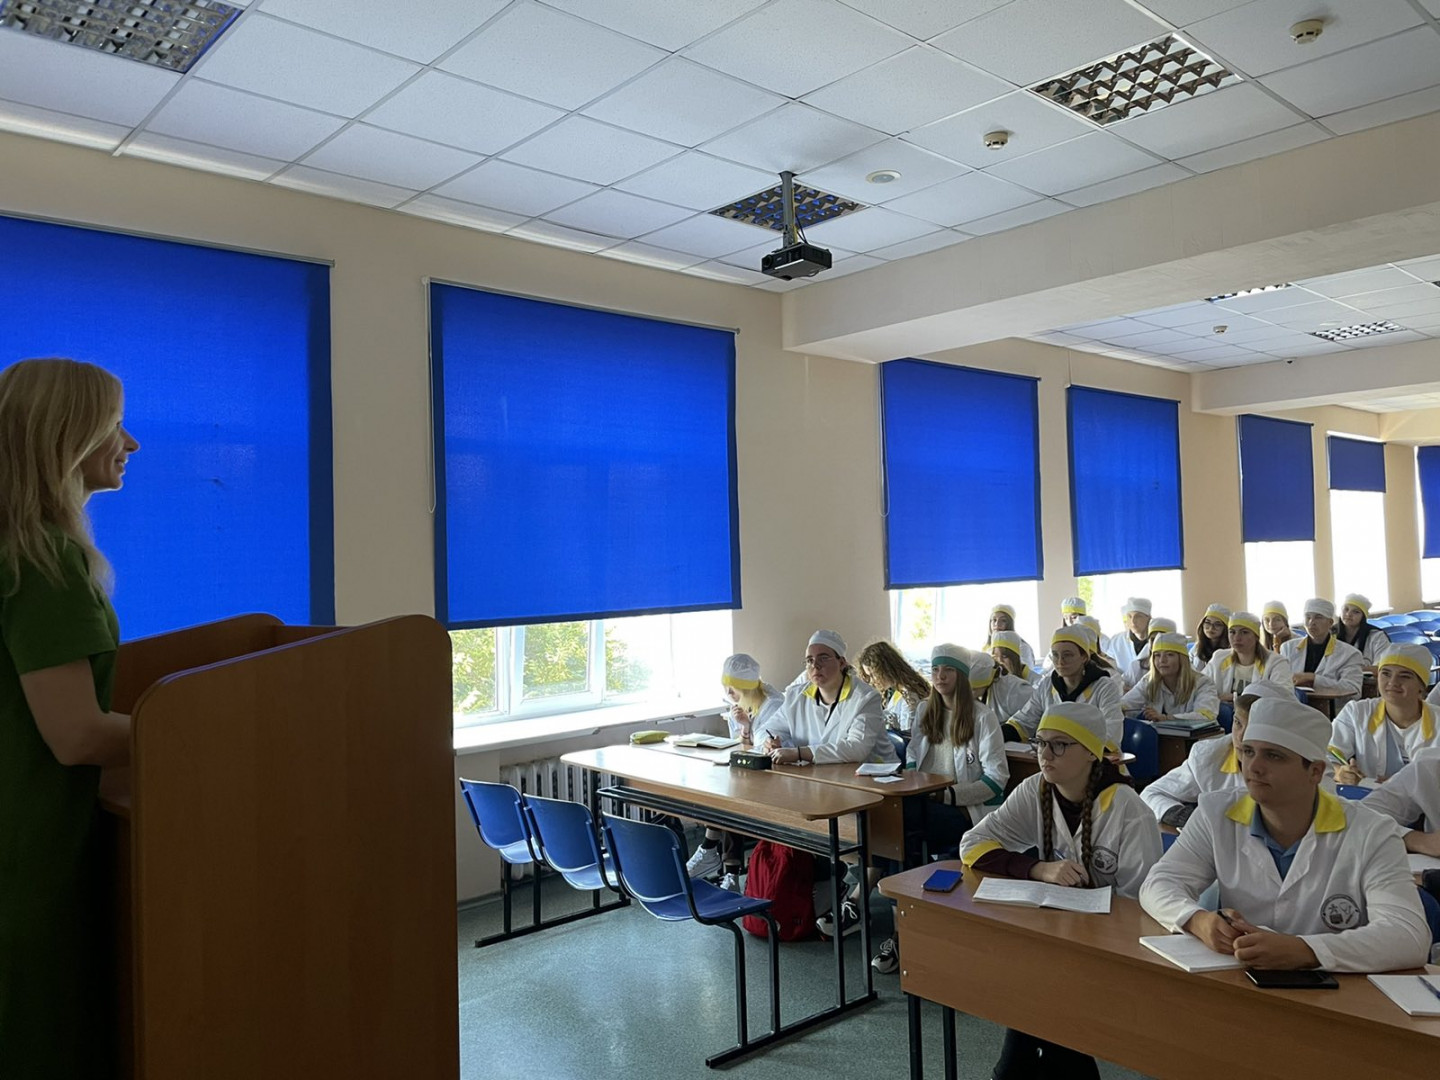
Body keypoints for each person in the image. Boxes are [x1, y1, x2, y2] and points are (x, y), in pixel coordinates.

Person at [0, 357, 139, 1078]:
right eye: (115, 424)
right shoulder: (46, 560)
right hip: (31, 859)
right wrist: (210, 735)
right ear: (68, 435)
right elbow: (78, 734)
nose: (130, 443)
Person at [1139, 697, 1431, 973]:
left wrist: (1306, 950)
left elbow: (1409, 936)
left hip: (1336, 995)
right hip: (1239, 981)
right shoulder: (1216, 813)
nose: (1254, 767)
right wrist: (1197, 920)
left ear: (1315, 771)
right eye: (1248, 752)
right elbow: (1159, 883)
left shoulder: (1372, 832)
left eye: (1274, 756)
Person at [961, 702, 1162, 1080]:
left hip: (1111, 950)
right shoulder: (1035, 789)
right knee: (1039, 1001)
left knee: (1037, 999)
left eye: (1059, 745)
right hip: (1056, 939)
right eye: (1040, 742)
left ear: (1090, 752)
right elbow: (971, 844)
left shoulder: (1128, 810)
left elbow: (1143, 907)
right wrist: (1037, 868)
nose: (1045, 754)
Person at [873, 645, 1008, 974]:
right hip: (923, 801)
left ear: (961, 676)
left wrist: (947, 796)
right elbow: (914, 756)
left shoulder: (982, 716)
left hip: (964, 810)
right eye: (935, 670)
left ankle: (902, 928)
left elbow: (997, 779)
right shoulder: (925, 710)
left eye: (947, 670)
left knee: (902, 829)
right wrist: (913, 779)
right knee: (887, 824)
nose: (940, 676)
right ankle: (908, 924)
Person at [687, 654, 784, 887]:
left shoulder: (772, 704)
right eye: (727, 688)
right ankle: (726, 867)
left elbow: (763, 748)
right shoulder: (740, 702)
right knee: (725, 790)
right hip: (750, 773)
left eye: (733, 689)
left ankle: (715, 855)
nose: (729, 693)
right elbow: (739, 745)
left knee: (733, 795)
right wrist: (744, 729)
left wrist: (747, 731)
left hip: (774, 775)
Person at [1141, 682, 1295, 828]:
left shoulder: (1298, 769)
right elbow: (1151, 794)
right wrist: (1187, 817)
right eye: (1237, 723)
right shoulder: (1209, 756)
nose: (1241, 737)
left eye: (1253, 727)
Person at [763, 630, 897, 767]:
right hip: (821, 773)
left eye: (823, 658)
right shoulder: (795, 696)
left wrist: (799, 753)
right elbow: (770, 729)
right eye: (810, 660)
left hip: (876, 773)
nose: (815, 665)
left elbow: (857, 749)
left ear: (842, 663)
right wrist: (770, 742)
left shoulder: (865, 698)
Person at [1330, 644, 1440, 785]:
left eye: (1405, 676)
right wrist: (1340, 772)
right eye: (1386, 674)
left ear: (1422, 686)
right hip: (1368, 797)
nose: (1393, 682)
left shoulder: (1437, 721)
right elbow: (1327, 755)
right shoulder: (1357, 712)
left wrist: (1404, 785)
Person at [1003, 627, 1124, 754]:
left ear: (1084, 657)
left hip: (1093, 759)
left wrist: (1071, 749)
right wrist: (999, 735)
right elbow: (1024, 721)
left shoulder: (1104, 687)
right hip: (1053, 756)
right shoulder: (1047, 685)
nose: (1060, 662)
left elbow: (1112, 731)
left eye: (1068, 655)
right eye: (1055, 655)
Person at [1120, 632, 1219, 725]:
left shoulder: (1203, 683)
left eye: (1169, 655)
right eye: (1157, 655)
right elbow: (1127, 703)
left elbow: (1206, 716)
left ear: (1182, 659)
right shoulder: (1149, 681)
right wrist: (1118, 709)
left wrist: (1167, 718)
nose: (1162, 660)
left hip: (1200, 737)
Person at [1279, 597, 1365, 705]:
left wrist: (1313, 679)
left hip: (1331, 710)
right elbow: (1279, 682)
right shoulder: (1287, 648)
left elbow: (1354, 690)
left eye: (1318, 617)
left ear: (1330, 622)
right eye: (1308, 617)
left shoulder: (1350, 654)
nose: (1311, 622)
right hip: (1293, 707)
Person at [1204, 611, 1293, 706]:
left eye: (1244, 632)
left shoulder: (1276, 663)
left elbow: (1283, 698)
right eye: (1232, 632)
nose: (1237, 638)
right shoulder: (1219, 658)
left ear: (1256, 636)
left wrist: (1235, 697)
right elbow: (1201, 687)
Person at [854, 639, 930, 736]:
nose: (872, 681)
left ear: (885, 669)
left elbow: (909, 735)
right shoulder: (894, 691)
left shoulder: (909, 695)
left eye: (873, 675)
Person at [1335, 592, 1390, 670]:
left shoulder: (1377, 637)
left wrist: (1348, 670)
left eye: (1356, 612)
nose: (1348, 614)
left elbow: (1382, 668)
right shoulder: (1330, 634)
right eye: (1346, 609)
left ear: (1363, 616)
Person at [1120, 616, 1177, 691]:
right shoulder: (1137, 667)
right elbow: (1121, 686)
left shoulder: (1183, 668)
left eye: (1162, 639)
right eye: (1153, 639)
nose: (1157, 644)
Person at [1105, 597, 1152, 673]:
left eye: (1138, 616)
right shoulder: (1117, 641)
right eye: (1130, 616)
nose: (1133, 621)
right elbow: (1111, 669)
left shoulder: (1157, 640)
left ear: (1149, 618)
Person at [981, 604, 1036, 669]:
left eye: (1003, 620)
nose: (997, 624)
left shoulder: (1023, 647)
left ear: (1010, 624)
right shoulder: (986, 647)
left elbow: (1024, 671)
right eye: (994, 620)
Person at [1190, 603, 1231, 672]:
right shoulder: (1196, 648)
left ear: (1226, 628)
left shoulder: (1230, 650)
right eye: (1207, 622)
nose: (1211, 628)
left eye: (1217, 624)